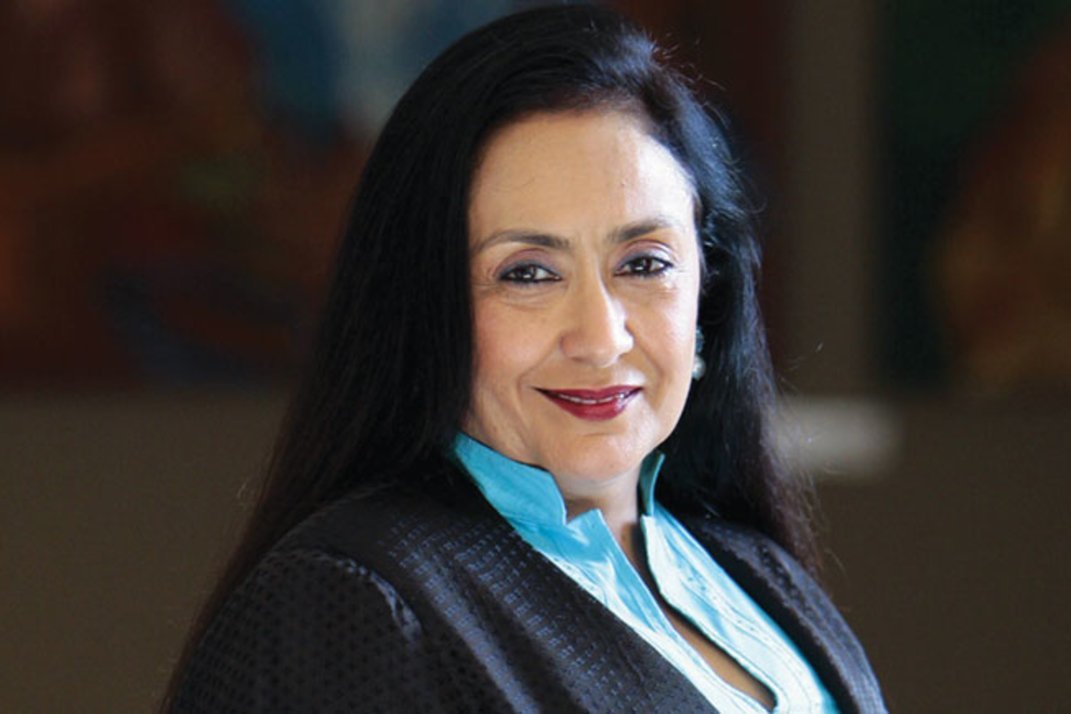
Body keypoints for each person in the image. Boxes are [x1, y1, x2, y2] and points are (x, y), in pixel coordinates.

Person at [165, 4, 885, 712]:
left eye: (644, 263)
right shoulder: (348, 608)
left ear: (709, 290)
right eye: (528, 273)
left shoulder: (756, 573)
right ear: (424, 305)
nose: (600, 338)